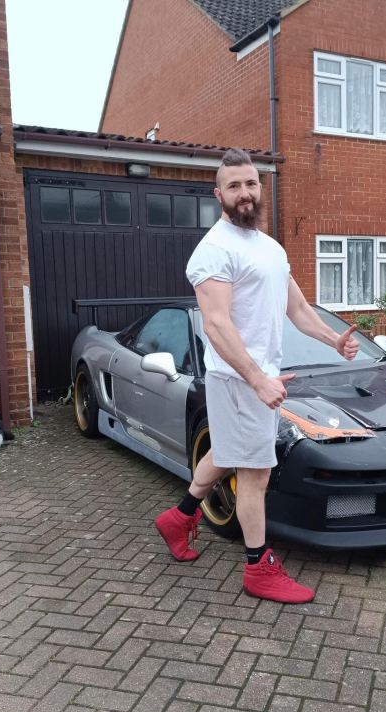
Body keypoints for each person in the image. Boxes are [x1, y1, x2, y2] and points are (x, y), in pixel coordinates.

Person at [154, 148, 359, 603]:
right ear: (218, 194)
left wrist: (334, 340)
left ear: (259, 188)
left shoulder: (271, 248)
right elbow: (217, 324)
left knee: (227, 453)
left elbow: (298, 309)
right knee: (255, 472)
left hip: (260, 378)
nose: (244, 193)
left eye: (250, 183)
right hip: (238, 379)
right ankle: (257, 567)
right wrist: (257, 378)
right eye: (233, 186)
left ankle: (179, 518)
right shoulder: (213, 250)